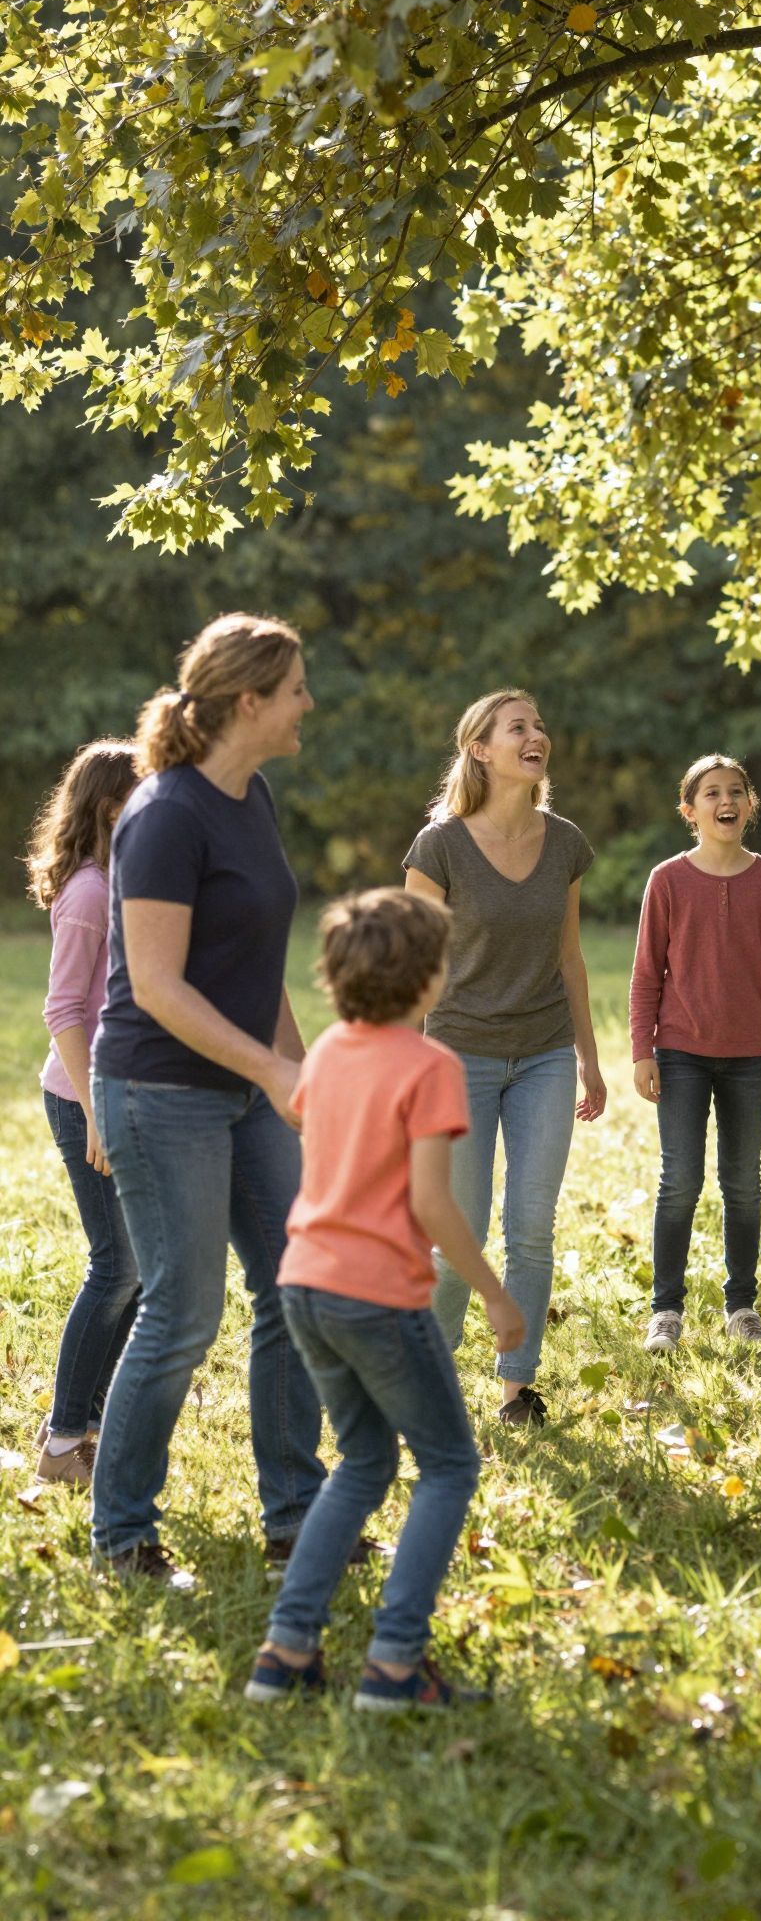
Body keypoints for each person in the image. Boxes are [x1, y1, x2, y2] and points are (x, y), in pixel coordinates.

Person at [89, 613, 327, 1584]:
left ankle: (295, 1515)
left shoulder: (251, 797)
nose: (310, 703)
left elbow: (250, 964)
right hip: (159, 1087)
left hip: (245, 1084)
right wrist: (270, 1071)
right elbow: (157, 984)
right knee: (182, 1312)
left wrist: (304, 1067)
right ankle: (121, 1533)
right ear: (248, 701)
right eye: (298, 687)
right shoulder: (166, 815)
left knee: (297, 1289)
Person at [246, 889, 524, 1710]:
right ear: (430, 978)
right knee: (449, 1465)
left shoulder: (329, 1050)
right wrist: (497, 1298)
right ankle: (396, 1661)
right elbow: (435, 1205)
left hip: (306, 1285)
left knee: (365, 1463)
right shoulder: (432, 1066)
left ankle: (285, 1651)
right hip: (376, 1296)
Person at [404, 688, 605, 1428]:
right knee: (460, 1237)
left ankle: (517, 1389)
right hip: (457, 1056)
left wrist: (588, 1056)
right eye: (518, 726)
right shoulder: (440, 847)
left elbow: (570, 957)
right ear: (480, 750)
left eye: (541, 725)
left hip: (545, 1053)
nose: (537, 735)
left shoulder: (566, 844)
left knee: (531, 1225)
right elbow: (408, 965)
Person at [630, 754, 761, 1352]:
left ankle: (741, 1305)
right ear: (691, 810)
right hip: (679, 1052)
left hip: (751, 1057)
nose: (724, 801)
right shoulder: (668, 880)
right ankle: (666, 1311)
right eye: (711, 793)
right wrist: (641, 1050)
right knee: (679, 1181)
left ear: (750, 806)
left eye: (735, 792)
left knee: (743, 1183)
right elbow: (646, 974)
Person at [26, 741, 141, 1485]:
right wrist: (99, 1112)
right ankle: (64, 1440)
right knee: (117, 1265)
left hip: (118, 1098)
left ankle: (88, 1426)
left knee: (136, 1271)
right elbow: (62, 1010)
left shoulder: (120, 881)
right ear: (109, 807)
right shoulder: (91, 891)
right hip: (83, 1101)